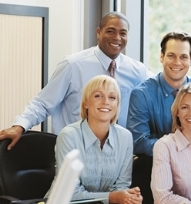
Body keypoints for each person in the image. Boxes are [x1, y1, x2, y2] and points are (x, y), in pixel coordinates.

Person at [0, 11, 152, 150]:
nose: (117, 38)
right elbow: (43, 103)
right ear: (98, 32)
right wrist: (19, 126)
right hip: (74, 152)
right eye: (111, 31)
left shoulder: (137, 71)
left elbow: (162, 89)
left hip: (116, 156)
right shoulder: (72, 65)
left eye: (123, 33)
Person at [127, 31, 191, 203]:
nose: (177, 62)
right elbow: (138, 141)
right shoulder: (142, 94)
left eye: (184, 57)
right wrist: (174, 150)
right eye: (171, 56)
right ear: (161, 56)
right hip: (153, 168)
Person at [46, 75, 143, 204]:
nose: (106, 102)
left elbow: (121, 186)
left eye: (112, 97)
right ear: (86, 102)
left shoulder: (125, 137)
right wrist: (112, 197)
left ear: (117, 104)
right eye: (98, 96)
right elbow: (70, 193)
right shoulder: (68, 136)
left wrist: (128, 197)